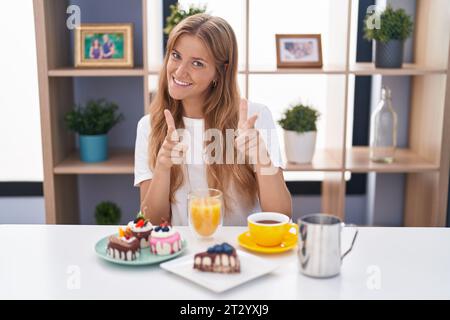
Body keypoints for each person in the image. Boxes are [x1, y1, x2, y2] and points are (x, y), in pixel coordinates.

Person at [134, 14, 292, 226]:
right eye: (175, 55)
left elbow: (281, 215)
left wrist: (262, 157)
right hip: (183, 254)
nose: (180, 71)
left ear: (220, 72)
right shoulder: (150, 126)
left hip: (243, 251)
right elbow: (152, 221)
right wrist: (162, 167)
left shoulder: (255, 118)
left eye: (197, 63)